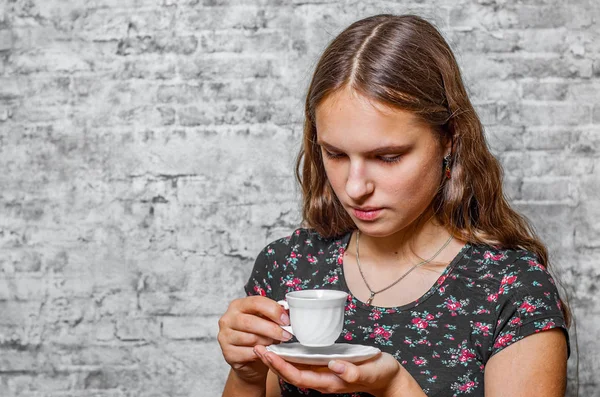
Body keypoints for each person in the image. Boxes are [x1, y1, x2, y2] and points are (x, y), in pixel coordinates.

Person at [217, 14, 571, 397]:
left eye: (387, 157)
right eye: (335, 154)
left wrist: (394, 387)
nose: (355, 187)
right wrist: (247, 375)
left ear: (449, 140)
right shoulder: (289, 266)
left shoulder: (511, 290)